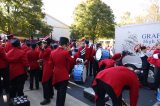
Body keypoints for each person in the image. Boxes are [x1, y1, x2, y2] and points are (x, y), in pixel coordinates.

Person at [49, 37, 75, 106]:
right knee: (62, 94)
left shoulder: (52, 52)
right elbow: (72, 61)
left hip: (56, 74)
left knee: (58, 92)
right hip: (63, 75)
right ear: (66, 44)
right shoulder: (66, 52)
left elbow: (50, 64)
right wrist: (70, 52)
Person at [39, 38, 54, 105]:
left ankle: (46, 99)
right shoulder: (49, 48)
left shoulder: (47, 49)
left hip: (47, 67)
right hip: (49, 66)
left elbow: (41, 56)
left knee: (44, 82)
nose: (42, 44)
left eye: (44, 42)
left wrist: (42, 49)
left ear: (46, 43)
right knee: (49, 82)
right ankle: (51, 94)